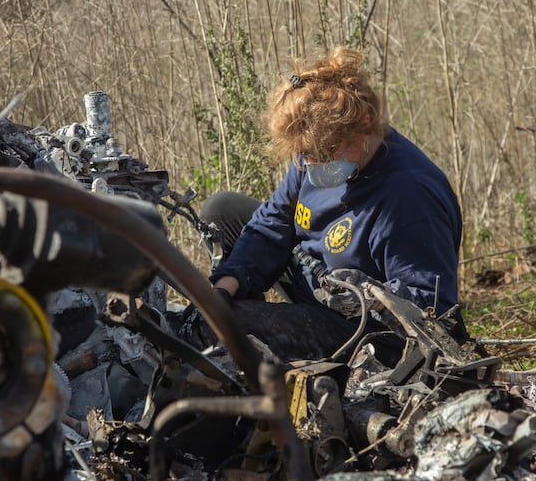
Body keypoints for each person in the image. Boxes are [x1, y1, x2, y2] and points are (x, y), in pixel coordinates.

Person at [188, 46, 463, 365]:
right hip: (313, 277)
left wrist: (370, 298)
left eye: (325, 152)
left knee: (229, 328)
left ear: (365, 124)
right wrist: (224, 286)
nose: (310, 164)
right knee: (223, 210)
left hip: (363, 330)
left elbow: (434, 308)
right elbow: (271, 224)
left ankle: (278, 343)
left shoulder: (407, 195)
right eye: (303, 154)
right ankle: (262, 324)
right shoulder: (311, 156)